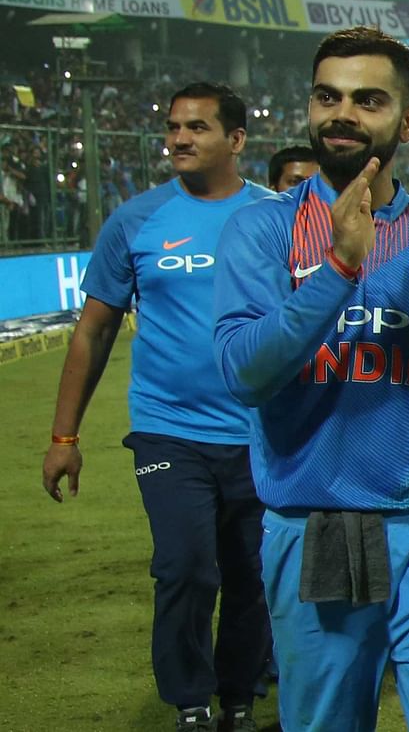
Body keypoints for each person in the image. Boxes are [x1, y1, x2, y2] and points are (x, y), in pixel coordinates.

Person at [212, 28, 409, 731]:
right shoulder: (261, 232)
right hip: (315, 525)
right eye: (328, 96)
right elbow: (244, 374)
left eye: (368, 99)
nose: (342, 113)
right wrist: (339, 270)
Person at [42, 83, 275, 732]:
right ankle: (192, 700)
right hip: (169, 430)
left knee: (253, 576)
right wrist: (65, 434)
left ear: (236, 139)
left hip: (261, 432)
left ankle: (238, 696)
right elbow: (92, 331)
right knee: (185, 565)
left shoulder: (277, 216)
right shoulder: (135, 220)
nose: (178, 138)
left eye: (197, 127)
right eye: (173, 126)